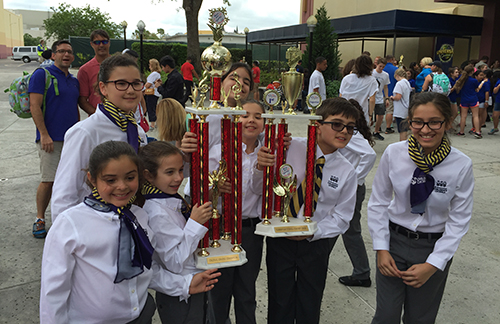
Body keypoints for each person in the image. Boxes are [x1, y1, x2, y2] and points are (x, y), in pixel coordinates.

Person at [40, 141, 221, 324]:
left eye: (129, 178)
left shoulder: (139, 216)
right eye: (110, 180)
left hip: (141, 316)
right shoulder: (70, 224)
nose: (122, 186)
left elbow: (147, 270)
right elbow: (54, 292)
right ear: (92, 179)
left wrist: (184, 285)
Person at [367, 92, 474, 324]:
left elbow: (459, 220)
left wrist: (433, 264)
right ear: (410, 121)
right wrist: (381, 248)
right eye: (418, 122)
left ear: (447, 122)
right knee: (386, 316)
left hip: (432, 247)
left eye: (434, 122)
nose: (425, 130)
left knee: (420, 318)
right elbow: (378, 203)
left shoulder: (461, 164)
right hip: (393, 243)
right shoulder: (394, 154)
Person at [255, 97, 358, 324]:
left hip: (315, 243)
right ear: (317, 124)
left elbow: (342, 217)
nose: (344, 132)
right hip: (280, 237)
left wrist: (312, 232)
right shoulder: (291, 147)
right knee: (279, 299)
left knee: (310, 300)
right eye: (337, 124)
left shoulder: (347, 171)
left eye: (350, 128)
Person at [51, 54, 148, 220]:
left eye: (136, 83)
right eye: (121, 84)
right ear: (103, 88)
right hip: (94, 221)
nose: (131, 90)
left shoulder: (137, 131)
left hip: (131, 221)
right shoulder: (85, 131)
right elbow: (65, 194)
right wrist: (68, 235)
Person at [139, 141, 213, 324]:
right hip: (180, 295)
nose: (179, 178)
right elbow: (175, 262)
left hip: (193, 283)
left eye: (181, 170)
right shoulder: (156, 212)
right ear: (148, 175)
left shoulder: (169, 200)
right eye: (170, 172)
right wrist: (194, 223)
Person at [28, 40, 80, 238]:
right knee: (49, 180)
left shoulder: (73, 80)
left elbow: (75, 106)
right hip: (51, 138)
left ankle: (65, 218)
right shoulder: (42, 75)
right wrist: (43, 134)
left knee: (69, 180)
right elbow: (35, 106)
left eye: (69, 51)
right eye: (61, 51)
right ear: (53, 55)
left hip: (72, 139)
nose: (66, 55)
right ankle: (40, 218)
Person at [337, 99, 376, 288]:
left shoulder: (353, 135)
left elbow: (369, 155)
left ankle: (362, 273)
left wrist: (355, 179)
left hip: (351, 188)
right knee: (339, 227)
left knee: (350, 230)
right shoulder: (353, 134)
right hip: (344, 186)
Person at [78, 29, 111, 115]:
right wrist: (99, 116)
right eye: (97, 42)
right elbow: (82, 101)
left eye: (104, 42)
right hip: (97, 122)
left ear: (109, 43)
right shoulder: (85, 70)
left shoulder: (120, 66)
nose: (101, 45)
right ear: (92, 44)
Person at [339, 54, 378, 125]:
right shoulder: (372, 80)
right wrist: (370, 115)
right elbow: (372, 99)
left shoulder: (346, 78)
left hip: (346, 110)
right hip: (362, 112)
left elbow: (341, 95)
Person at [454, 66, 481, 138]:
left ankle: (461, 131)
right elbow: (477, 89)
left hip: (464, 99)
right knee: (475, 115)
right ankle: (477, 132)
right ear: (472, 72)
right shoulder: (474, 80)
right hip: (473, 99)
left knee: (463, 116)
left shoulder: (461, 79)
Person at [391, 67, 412, 141]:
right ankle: (405, 141)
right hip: (406, 107)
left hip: (400, 109)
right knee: (405, 128)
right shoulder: (407, 82)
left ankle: (402, 143)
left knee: (401, 129)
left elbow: (398, 96)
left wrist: (393, 97)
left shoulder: (399, 84)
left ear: (397, 75)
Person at [372, 58, 390, 140]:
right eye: (380, 66)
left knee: (380, 115)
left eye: (383, 67)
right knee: (369, 115)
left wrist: (386, 97)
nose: (381, 68)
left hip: (379, 96)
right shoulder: (371, 73)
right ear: (376, 65)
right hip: (371, 96)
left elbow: (385, 86)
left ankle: (376, 131)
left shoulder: (385, 75)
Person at [144, 58, 162, 129]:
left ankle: (152, 124)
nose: (149, 66)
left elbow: (148, 84)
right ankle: (156, 122)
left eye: (150, 65)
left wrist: (142, 89)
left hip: (152, 93)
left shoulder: (153, 74)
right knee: (154, 107)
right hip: (156, 93)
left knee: (151, 108)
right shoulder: (157, 74)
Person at [383, 55, 398, 134]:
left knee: (380, 111)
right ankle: (388, 127)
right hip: (391, 92)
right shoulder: (396, 69)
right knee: (389, 110)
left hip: (380, 93)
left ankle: (377, 127)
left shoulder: (382, 69)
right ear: (392, 60)